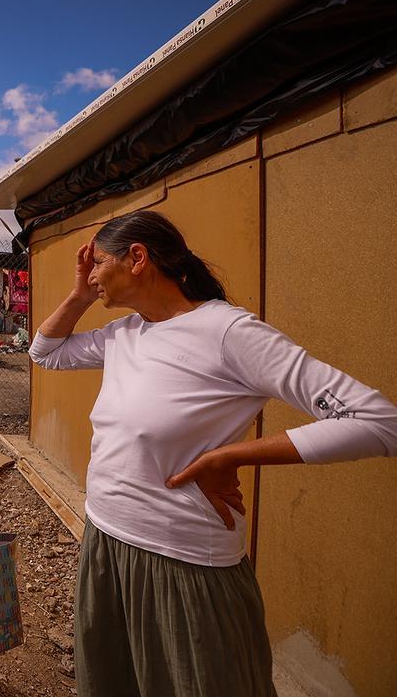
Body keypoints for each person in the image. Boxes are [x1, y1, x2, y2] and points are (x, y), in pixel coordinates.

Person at [29, 210, 397, 697]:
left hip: (183, 562)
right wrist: (78, 295)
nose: (91, 274)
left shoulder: (229, 333)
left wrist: (233, 457)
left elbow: (378, 421)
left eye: (96, 263)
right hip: (106, 540)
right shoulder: (125, 334)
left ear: (137, 258)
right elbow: (45, 352)